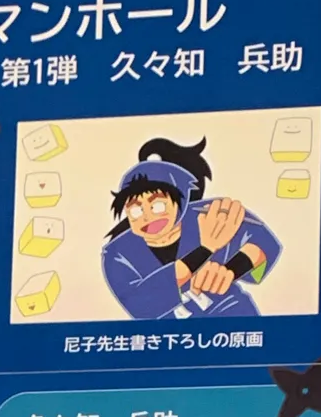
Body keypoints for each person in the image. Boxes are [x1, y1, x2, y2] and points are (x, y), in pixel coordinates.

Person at [102, 136, 280, 321]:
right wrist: (205, 250)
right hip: (170, 334)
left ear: (181, 201)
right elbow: (141, 305)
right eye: (136, 210)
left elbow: (263, 241)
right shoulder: (118, 253)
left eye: (158, 206)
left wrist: (230, 270)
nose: (147, 216)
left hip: (233, 318)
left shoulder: (207, 215)